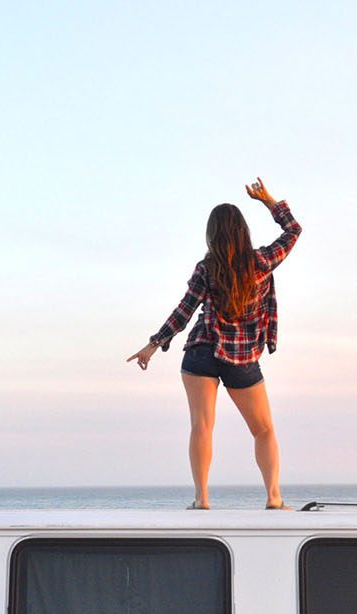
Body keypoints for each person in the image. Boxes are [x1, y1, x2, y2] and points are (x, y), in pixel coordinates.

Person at [127, 178, 302, 510]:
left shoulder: (206, 268)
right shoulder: (262, 261)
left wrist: (154, 344)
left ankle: (202, 499)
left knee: (202, 426)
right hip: (242, 357)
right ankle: (273, 497)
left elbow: (185, 308)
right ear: (242, 232)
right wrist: (268, 201)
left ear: (212, 235)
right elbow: (293, 231)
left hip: (202, 351)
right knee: (263, 429)